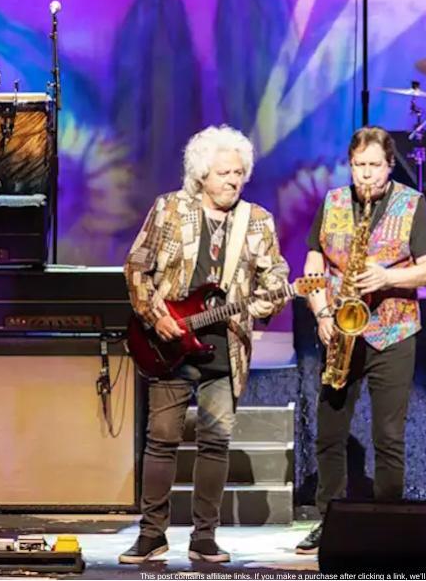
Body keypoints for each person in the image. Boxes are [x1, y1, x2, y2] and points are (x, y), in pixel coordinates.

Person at [120, 125, 290, 564]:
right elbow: (136, 267)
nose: (233, 181)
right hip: (170, 342)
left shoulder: (257, 220)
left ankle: (205, 537)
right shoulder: (170, 209)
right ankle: (151, 534)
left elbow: (275, 277)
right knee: (162, 439)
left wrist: (270, 300)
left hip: (225, 348)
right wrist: (155, 315)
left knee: (215, 442)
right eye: (223, 173)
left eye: (238, 173)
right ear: (201, 175)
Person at [295, 126, 426, 554]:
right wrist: (322, 311)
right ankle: (329, 521)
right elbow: (314, 261)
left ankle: (387, 522)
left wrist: (387, 277)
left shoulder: (411, 203)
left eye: (374, 165)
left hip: (393, 333)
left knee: (388, 436)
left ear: (389, 165)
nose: (366, 174)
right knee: (329, 434)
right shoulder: (334, 202)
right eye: (359, 165)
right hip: (340, 331)